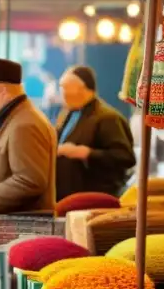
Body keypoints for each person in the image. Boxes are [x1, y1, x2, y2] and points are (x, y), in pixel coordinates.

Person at [0, 58, 57, 216]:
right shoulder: (15, 119)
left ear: (2, 91)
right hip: (9, 231)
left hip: (17, 233)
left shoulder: (24, 124)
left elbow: (29, 182)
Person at [55, 65, 136, 199]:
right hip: (68, 196)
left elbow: (125, 157)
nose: (62, 94)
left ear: (81, 89)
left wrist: (86, 153)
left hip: (95, 197)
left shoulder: (108, 118)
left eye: (65, 88)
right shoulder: (69, 114)